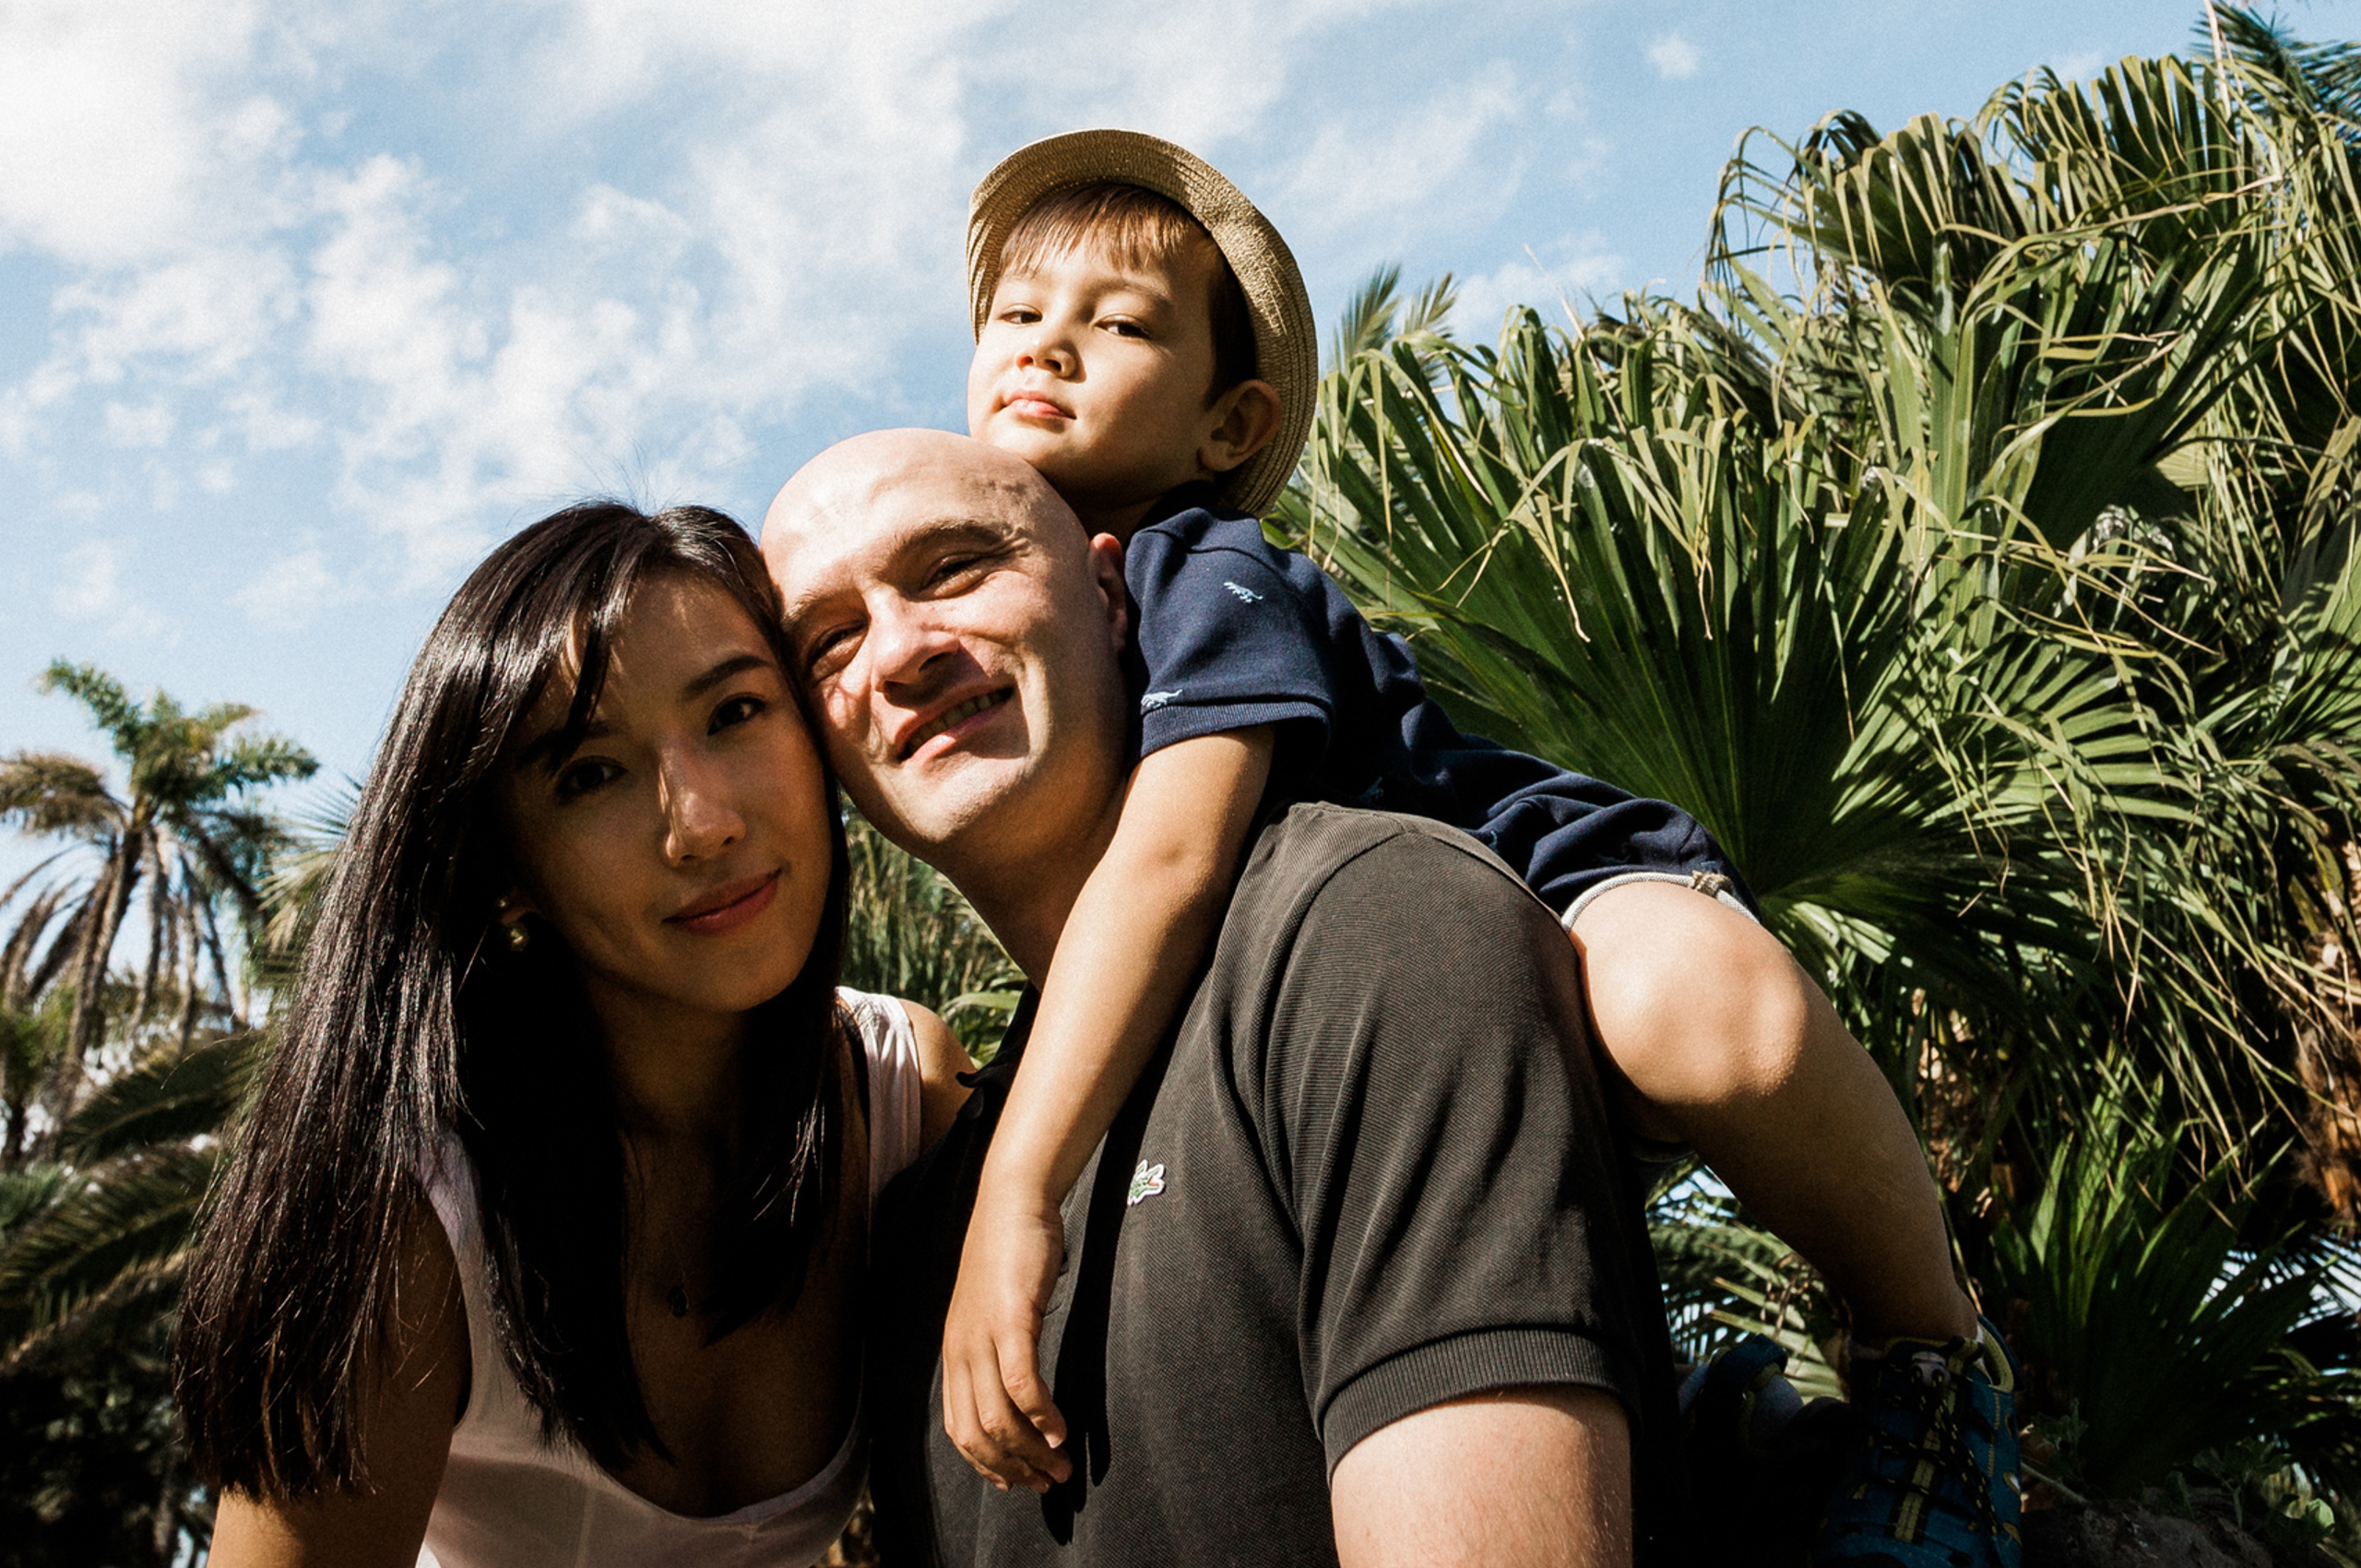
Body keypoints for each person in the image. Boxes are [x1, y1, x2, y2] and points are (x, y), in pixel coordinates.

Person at [929, 127, 2020, 1565]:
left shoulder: (1204, 566)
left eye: (1118, 325)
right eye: (1018, 315)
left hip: (1533, 894)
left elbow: (1175, 859)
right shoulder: (1037, 610)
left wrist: (1014, 1189)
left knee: (1704, 1016)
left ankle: (1936, 1363)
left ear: (1232, 426)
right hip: (1374, 1054)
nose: (1048, 348)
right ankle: (1695, 1419)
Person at [765, 428, 1673, 1568]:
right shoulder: (918, 1226)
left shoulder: (1368, 925)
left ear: (1111, 591)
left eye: (952, 569)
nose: (897, 653)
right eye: (827, 642)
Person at [173, 501, 970, 1568]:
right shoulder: (414, 1208)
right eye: (591, 772)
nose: (704, 822)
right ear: (508, 874)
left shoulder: (901, 1090)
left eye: (735, 711)